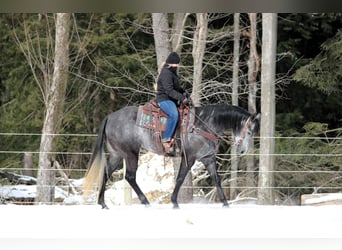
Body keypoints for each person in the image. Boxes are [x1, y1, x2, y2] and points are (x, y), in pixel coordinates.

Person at [156, 52, 189, 154]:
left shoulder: (172, 73)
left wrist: (184, 92)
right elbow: (169, 90)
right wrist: (181, 97)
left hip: (171, 99)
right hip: (164, 99)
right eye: (176, 64)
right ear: (171, 63)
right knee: (174, 115)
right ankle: (166, 139)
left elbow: (176, 88)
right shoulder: (166, 73)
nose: (178, 66)